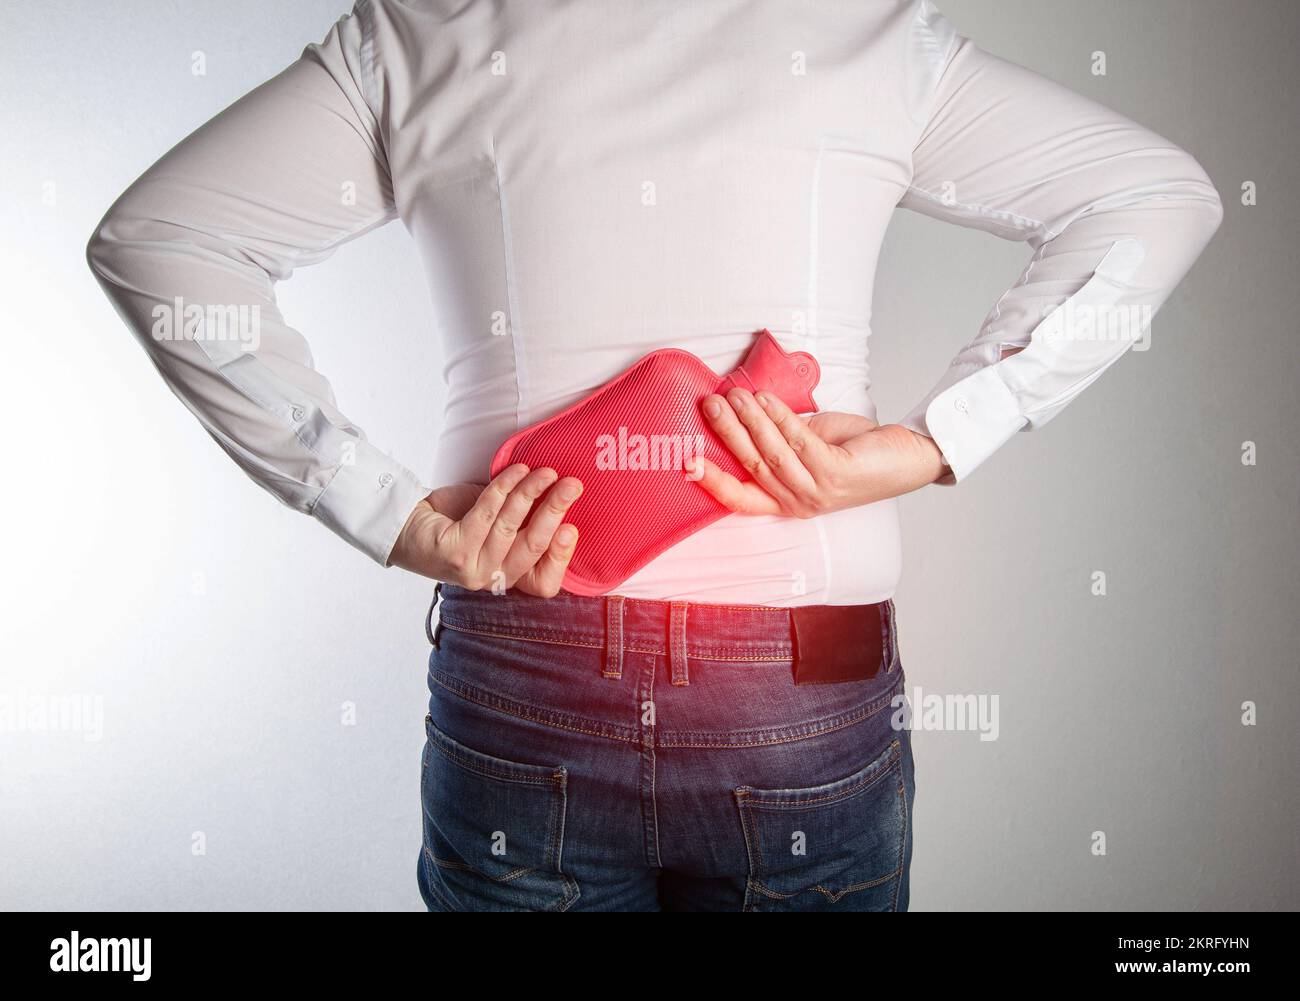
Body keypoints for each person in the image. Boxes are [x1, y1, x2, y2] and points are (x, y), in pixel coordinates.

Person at [87, 0, 1222, 911]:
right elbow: (1154, 197)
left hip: (529, 657)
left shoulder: (416, 32)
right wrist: (936, 441)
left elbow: (159, 240)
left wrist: (385, 510)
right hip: (800, 678)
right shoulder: (863, 31)